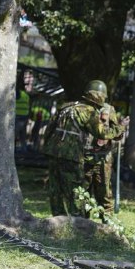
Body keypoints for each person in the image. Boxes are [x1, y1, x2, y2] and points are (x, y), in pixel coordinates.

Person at [42, 79, 127, 218]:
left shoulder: (66, 107)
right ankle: (78, 222)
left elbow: (48, 130)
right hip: (72, 155)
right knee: (76, 191)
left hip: (54, 153)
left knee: (55, 189)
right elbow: (102, 133)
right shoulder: (88, 111)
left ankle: (58, 220)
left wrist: (48, 148)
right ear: (100, 97)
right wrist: (121, 127)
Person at [82, 82, 128, 216]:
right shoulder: (82, 109)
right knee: (83, 192)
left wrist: (120, 128)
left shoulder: (108, 109)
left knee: (104, 193)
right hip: (84, 156)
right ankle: (82, 222)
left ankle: (108, 222)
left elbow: (116, 133)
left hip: (102, 158)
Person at [14, 79, 31, 151]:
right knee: (22, 133)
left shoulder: (17, 93)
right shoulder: (26, 95)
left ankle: (13, 148)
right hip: (24, 116)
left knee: (14, 133)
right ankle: (24, 149)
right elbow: (29, 106)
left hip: (18, 115)